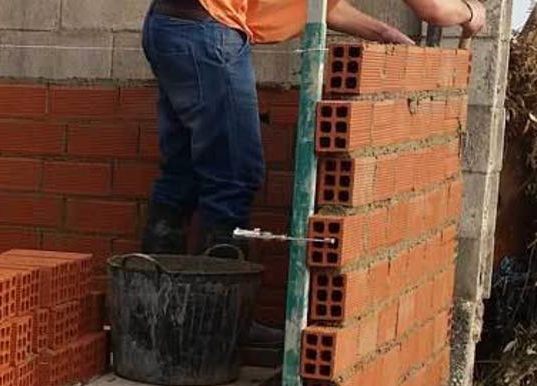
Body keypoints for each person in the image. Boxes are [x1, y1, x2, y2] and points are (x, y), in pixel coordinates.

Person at [139, 0, 485, 347]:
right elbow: (436, 10)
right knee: (234, 177)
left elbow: (322, 6)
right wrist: (472, 12)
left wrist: (383, 33)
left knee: (182, 176)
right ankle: (216, 328)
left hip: (170, 24)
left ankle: (150, 317)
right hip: (206, 31)